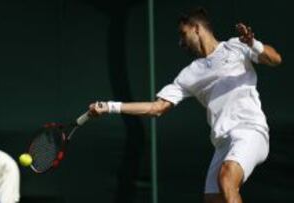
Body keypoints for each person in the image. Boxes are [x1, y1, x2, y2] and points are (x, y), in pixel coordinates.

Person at [88, 7, 282, 203]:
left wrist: (253, 44)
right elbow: (157, 108)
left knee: (226, 178)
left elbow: (275, 59)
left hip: (250, 130)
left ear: (197, 28)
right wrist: (110, 106)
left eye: (183, 34)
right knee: (212, 198)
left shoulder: (236, 46)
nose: (181, 42)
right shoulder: (189, 74)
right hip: (223, 142)